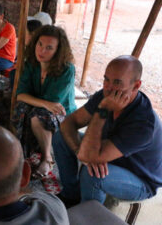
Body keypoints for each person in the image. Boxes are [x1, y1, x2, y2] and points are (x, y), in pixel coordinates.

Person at [53, 56, 162, 207]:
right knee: (61, 137)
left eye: (117, 82)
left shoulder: (143, 123)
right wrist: (80, 151)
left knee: (93, 175)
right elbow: (68, 123)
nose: (108, 87)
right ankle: (71, 196)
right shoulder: (106, 94)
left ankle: (88, 216)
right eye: (106, 79)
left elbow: (90, 155)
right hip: (113, 154)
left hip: (140, 178)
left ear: (136, 86)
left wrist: (102, 110)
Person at [12, 25, 76, 178]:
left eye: (49, 48)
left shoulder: (67, 70)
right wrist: (44, 103)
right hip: (43, 106)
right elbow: (20, 95)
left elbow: (53, 104)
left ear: (57, 51)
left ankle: (47, 158)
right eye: (40, 44)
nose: (41, 51)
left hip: (63, 115)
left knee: (38, 115)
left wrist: (43, 103)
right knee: (21, 108)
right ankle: (23, 152)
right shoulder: (31, 64)